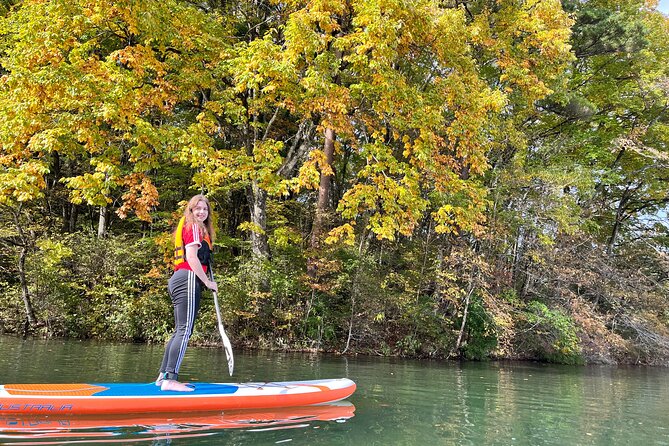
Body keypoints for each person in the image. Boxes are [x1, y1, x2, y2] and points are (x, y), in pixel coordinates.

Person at [156, 194, 218, 392]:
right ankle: (170, 379)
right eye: (197, 208)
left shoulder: (196, 228)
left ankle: (162, 376)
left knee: (179, 330)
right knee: (184, 331)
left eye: (205, 209)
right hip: (188, 278)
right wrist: (207, 282)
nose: (201, 212)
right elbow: (191, 257)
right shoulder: (192, 227)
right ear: (190, 210)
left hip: (179, 279)